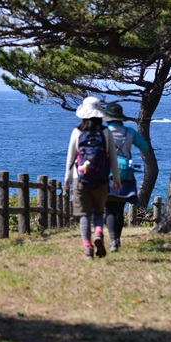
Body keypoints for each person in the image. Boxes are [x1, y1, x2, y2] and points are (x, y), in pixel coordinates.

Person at [65, 97, 121, 259]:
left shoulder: (77, 132)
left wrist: (67, 178)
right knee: (98, 212)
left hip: (80, 179)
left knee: (84, 215)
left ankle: (87, 248)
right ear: (99, 114)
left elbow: (70, 158)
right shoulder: (105, 132)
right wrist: (116, 178)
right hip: (101, 179)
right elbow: (112, 158)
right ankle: (98, 233)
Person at [104, 103, 149, 252]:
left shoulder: (103, 132)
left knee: (109, 208)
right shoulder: (129, 132)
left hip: (107, 175)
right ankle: (117, 239)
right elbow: (144, 146)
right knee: (118, 208)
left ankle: (112, 240)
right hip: (126, 176)